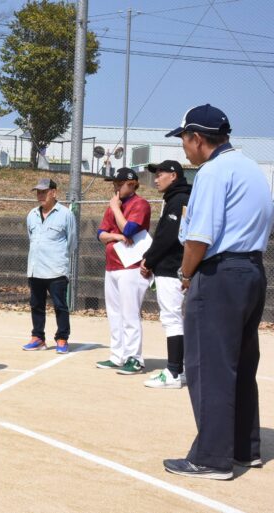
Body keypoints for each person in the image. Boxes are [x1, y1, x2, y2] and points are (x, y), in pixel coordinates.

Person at [162, 104, 273, 480]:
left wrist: (186, 272)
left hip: (220, 274)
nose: (183, 149)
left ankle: (211, 458)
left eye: (183, 140)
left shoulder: (213, 171)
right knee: (241, 365)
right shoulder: (251, 167)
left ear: (197, 137)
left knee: (208, 366)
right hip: (253, 270)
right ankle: (245, 449)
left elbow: (200, 236)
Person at [139, 160, 191, 389]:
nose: (156, 178)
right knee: (181, 320)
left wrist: (148, 261)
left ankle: (172, 372)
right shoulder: (179, 198)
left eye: (160, 173)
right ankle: (184, 369)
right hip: (179, 268)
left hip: (172, 269)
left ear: (174, 175)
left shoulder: (178, 199)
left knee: (172, 320)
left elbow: (168, 237)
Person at [95, 168, 151, 375]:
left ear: (133, 184)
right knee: (114, 314)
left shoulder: (140, 204)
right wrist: (116, 237)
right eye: (115, 184)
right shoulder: (114, 206)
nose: (116, 187)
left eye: (121, 184)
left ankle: (134, 358)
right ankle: (117, 356)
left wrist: (116, 210)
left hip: (132, 267)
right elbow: (101, 234)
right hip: (112, 266)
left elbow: (129, 229)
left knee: (129, 314)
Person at [21, 178, 76, 354]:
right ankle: (38, 338)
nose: (40, 195)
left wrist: (58, 258)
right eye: (38, 192)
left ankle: (62, 338)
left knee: (60, 306)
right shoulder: (32, 215)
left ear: (54, 192)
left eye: (44, 192)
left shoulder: (66, 214)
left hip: (56, 270)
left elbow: (72, 242)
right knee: (36, 305)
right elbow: (32, 239)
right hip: (36, 269)